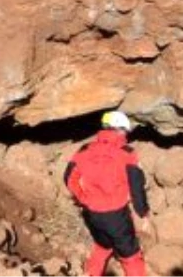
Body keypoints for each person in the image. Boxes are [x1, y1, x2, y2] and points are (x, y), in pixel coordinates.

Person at [64, 111, 153, 277]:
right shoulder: (127, 154)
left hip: (91, 214)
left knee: (102, 246)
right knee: (131, 257)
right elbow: (137, 188)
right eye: (125, 131)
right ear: (119, 130)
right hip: (116, 216)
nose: (126, 135)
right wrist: (143, 213)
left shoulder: (85, 150)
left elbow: (68, 178)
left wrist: (83, 199)